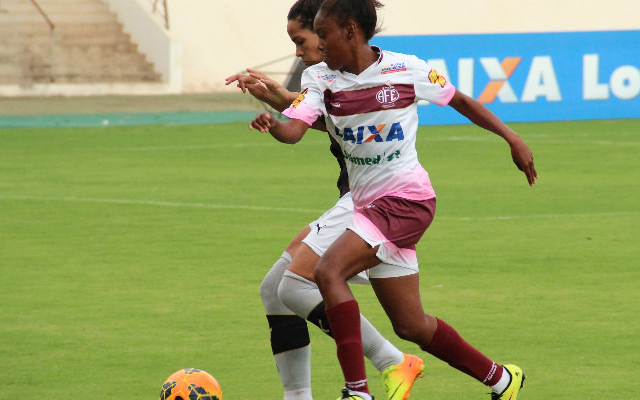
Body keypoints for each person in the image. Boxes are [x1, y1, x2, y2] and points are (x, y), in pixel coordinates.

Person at [248, 1, 538, 399]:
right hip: (367, 209)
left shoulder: (406, 68)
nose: (318, 46)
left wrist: (512, 137)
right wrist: (274, 124)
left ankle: (357, 392)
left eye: (324, 34)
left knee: (327, 273)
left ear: (351, 31)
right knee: (411, 326)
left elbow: (460, 101)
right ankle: (502, 380)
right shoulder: (320, 78)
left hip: (408, 201)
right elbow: (296, 130)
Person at [226, 1, 425, 400]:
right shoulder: (329, 77)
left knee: (295, 288)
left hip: (368, 204)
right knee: (274, 289)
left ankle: (389, 362)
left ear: (327, 29)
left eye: (301, 40)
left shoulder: (359, 74)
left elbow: (322, 120)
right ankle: (300, 395)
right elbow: (322, 119)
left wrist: (282, 101)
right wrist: (280, 97)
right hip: (354, 201)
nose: (298, 51)